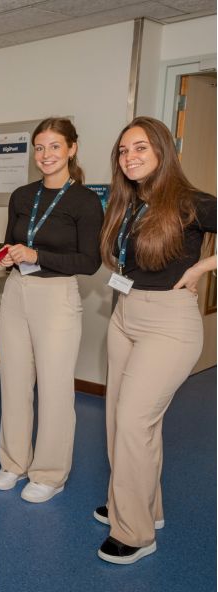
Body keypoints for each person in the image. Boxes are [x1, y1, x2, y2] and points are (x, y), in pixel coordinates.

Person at [95, 116, 215, 565]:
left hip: (169, 322)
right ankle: (140, 503)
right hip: (125, 314)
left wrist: (202, 268)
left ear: (163, 150)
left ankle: (136, 532)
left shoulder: (189, 201)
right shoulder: (129, 201)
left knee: (133, 421)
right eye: (123, 151)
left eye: (140, 148)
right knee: (117, 420)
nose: (130, 158)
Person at [0, 118, 103, 503]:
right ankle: (13, 462)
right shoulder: (22, 195)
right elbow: (11, 241)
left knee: (55, 389)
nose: (46, 155)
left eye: (55, 147)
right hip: (17, 291)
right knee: (15, 382)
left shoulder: (86, 202)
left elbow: (90, 262)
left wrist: (38, 254)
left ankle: (50, 473)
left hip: (57, 296)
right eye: (39, 148)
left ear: (72, 148)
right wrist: (7, 257)